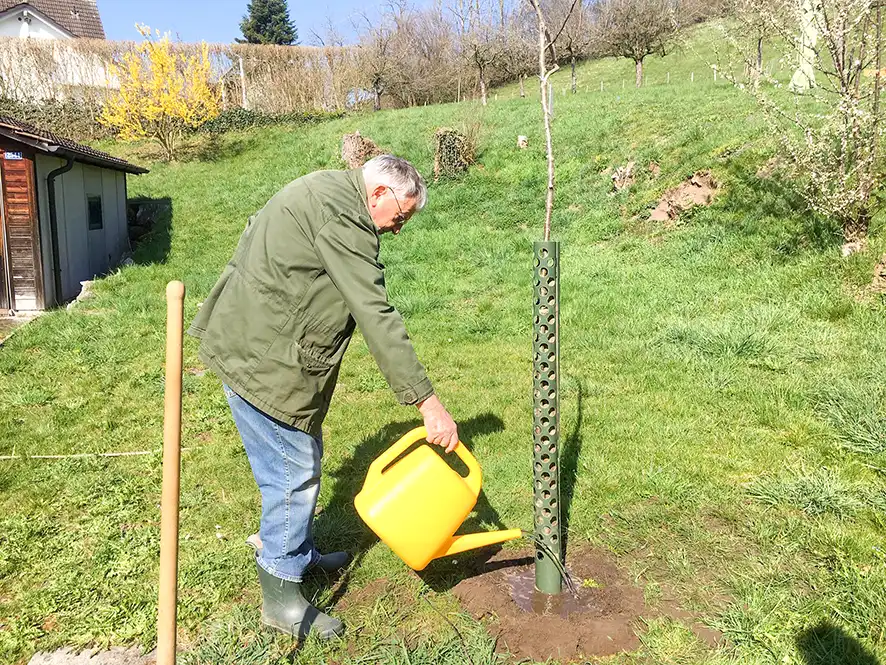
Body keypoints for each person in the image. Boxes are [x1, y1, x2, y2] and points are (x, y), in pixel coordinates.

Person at [187, 155, 459, 639]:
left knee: (301, 454)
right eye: (399, 218)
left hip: (256, 341)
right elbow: (376, 313)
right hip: (264, 359)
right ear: (378, 194)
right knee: (292, 476)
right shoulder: (344, 221)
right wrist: (427, 403)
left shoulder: (326, 188)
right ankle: (281, 600)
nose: (396, 230)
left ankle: (297, 552)